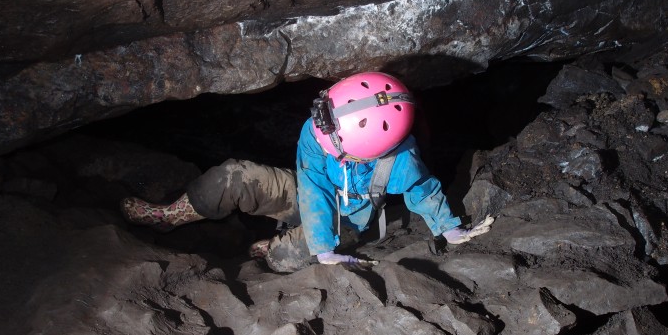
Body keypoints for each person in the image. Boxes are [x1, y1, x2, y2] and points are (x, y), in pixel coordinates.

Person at [120, 72, 494, 272]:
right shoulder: (324, 124)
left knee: (284, 258)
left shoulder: (399, 162)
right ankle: (168, 217)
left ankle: (268, 249)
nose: (318, 137)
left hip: (352, 219)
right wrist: (319, 239)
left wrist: (448, 226)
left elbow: (422, 189)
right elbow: (313, 183)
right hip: (307, 190)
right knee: (232, 177)